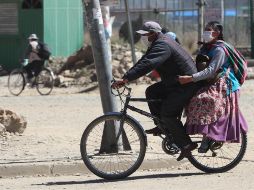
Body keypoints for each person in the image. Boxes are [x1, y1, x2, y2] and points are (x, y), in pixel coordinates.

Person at [112, 21, 200, 161]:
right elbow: (144, 60)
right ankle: (162, 126)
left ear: (153, 33)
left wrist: (127, 79)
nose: (144, 38)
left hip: (186, 84)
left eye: (145, 35)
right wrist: (126, 77)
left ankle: (186, 144)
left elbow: (149, 64)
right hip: (174, 82)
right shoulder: (158, 43)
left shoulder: (163, 45)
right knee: (152, 92)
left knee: (167, 113)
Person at [178, 21, 248, 153]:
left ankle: (210, 136)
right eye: (205, 30)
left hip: (225, 83)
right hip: (211, 81)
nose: (206, 33)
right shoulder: (207, 47)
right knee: (191, 99)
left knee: (205, 99)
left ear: (217, 33)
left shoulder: (220, 49)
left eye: (209, 30)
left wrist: (190, 78)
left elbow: (211, 70)